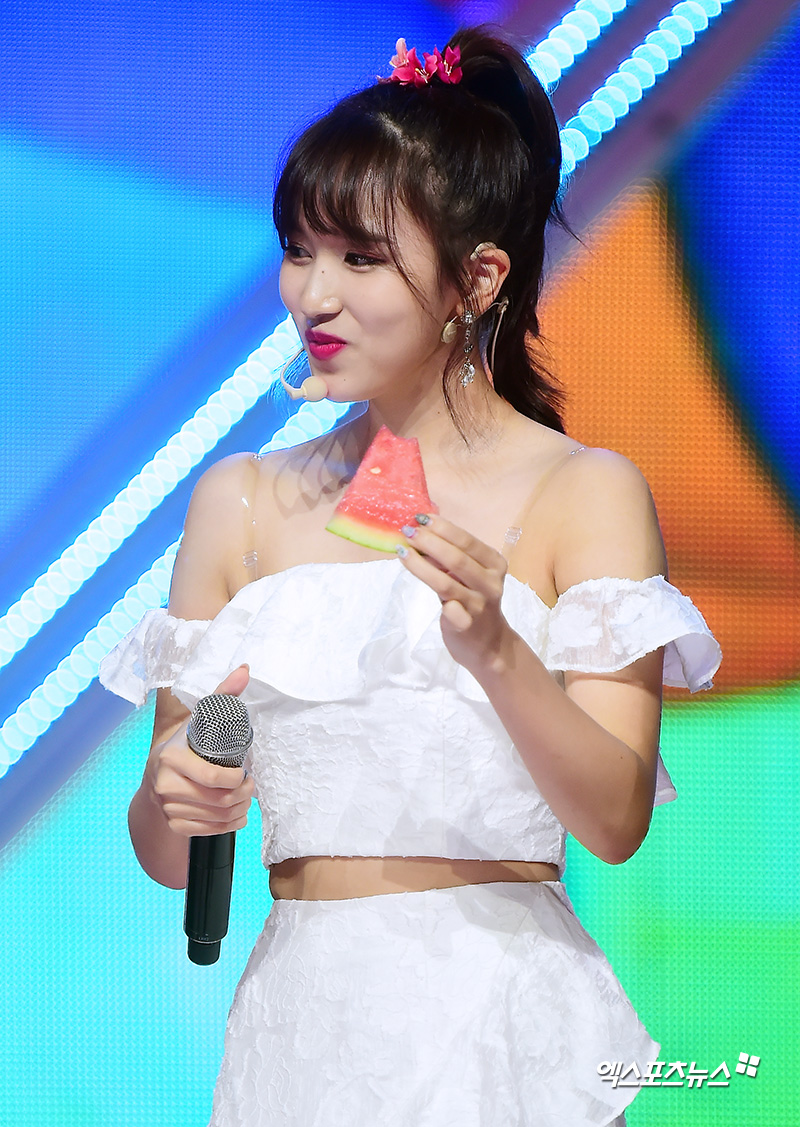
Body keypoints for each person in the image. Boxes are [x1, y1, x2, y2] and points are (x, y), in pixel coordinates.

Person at [100, 26, 721, 1126]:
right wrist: (171, 795)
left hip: (503, 1028)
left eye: (359, 258)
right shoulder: (240, 501)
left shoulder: (583, 493)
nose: (312, 295)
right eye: (299, 250)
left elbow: (615, 818)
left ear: (475, 279)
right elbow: (167, 846)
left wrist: (496, 648)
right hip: (299, 1034)